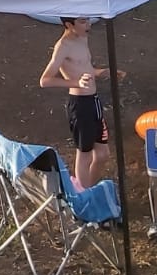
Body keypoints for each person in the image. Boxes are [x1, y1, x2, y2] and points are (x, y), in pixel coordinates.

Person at [38, 16, 124, 188]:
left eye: (88, 20)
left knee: (102, 155)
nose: (88, 25)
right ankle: (83, 192)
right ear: (69, 25)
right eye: (83, 22)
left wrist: (102, 72)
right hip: (80, 105)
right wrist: (76, 83)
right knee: (85, 154)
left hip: (94, 101)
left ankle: (88, 187)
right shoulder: (63, 46)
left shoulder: (83, 38)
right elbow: (45, 80)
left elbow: (85, 67)